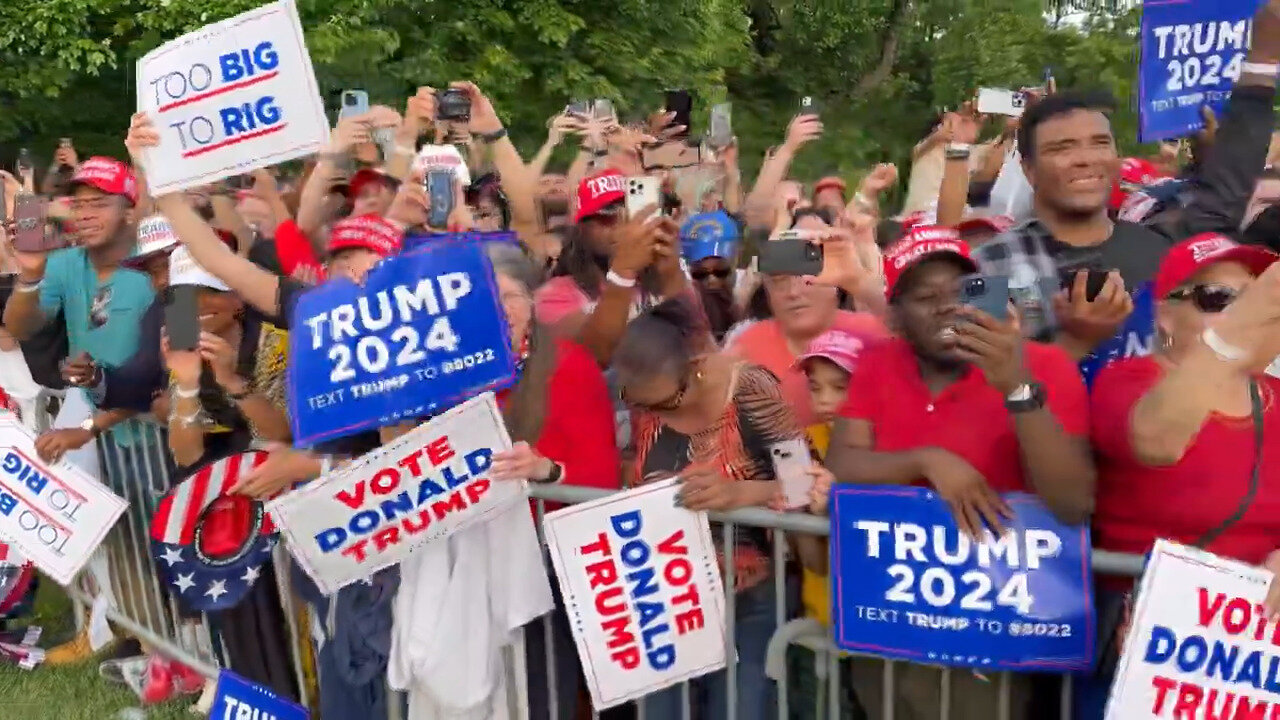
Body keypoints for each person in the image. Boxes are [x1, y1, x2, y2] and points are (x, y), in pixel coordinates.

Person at [824, 228, 1095, 720]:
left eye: (965, 291)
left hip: (993, 631)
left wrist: (1016, 388)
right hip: (893, 617)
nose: (949, 307)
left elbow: (1072, 501)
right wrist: (928, 461)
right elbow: (843, 465)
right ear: (896, 317)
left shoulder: (1047, 365)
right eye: (927, 298)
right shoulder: (880, 362)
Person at [1082, 234, 1280, 719]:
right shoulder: (1127, 380)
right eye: (1217, 300)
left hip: (1250, 661)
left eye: (1250, 298)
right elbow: (1156, 442)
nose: (1240, 314)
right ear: (1167, 316)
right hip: (1145, 648)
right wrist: (1229, 342)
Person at [613, 297, 798, 720]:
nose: (651, 411)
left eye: (667, 401)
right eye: (637, 400)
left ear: (695, 367)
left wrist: (739, 495)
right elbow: (634, 469)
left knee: (739, 708)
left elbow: (808, 482)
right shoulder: (646, 401)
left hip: (753, 594)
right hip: (666, 592)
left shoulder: (752, 388)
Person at [727, 209, 887, 426]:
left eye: (806, 280)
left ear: (834, 284)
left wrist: (862, 282)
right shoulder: (744, 351)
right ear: (766, 293)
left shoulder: (872, 333)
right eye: (780, 282)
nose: (793, 292)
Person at [681, 209, 741, 342]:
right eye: (700, 274)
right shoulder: (684, 307)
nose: (711, 280)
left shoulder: (748, 290)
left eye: (720, 271)